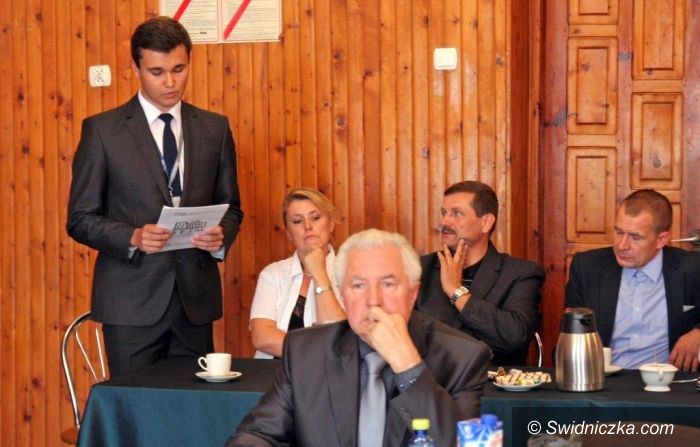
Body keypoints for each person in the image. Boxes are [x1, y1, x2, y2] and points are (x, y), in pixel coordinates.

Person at [66, 16, 243, 377]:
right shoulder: (102, 131)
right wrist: (132, 236)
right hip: (130, 305)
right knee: (136, 407)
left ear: (189, 61)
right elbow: (80, 219)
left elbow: (232, 207)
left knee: (193, 408)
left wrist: (221, 235)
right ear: (136, 68)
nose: (170, 82)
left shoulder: (215, 129)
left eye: (179, 69)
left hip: (194, 304)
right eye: (157, 72)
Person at [228, 229, 491, 446]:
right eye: (358, 286)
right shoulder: (307, 352)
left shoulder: (461, 358)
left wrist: (408, 366)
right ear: (343, 296)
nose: (373, 300)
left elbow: (459, 443)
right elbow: (259, 434)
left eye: (388, 284)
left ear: (412, 294)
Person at [565, 189, 700, 371]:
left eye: (635, 237)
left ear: (661, 240)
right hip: (604, 378)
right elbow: (571, 334)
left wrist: (697, 334)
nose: (622, 245)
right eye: (619, 232)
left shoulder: (692, 268)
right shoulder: (588, 268)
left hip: (669, 380)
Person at [415, 181, 545, 365]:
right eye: (444, 213)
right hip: (433, 380)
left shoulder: (521, 273)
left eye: (456, 213)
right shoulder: (420, 269)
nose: (444, 222)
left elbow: (514, 336)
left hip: (493, 381)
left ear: (486, 223)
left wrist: (456, 292)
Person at [249, 187, 346, 358]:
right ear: (288, 233)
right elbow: (262, 338)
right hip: (274, 370)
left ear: (331, 224)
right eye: (297, 221)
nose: (308, 226)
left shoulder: (351, 273)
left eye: (315, 218)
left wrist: (318, 272)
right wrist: (316, 356)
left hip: (329, 373)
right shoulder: (273, 274)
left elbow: (340, 338)